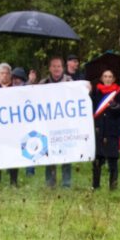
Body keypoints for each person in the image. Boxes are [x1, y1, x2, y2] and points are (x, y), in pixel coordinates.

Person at [40, 56, 74, 187]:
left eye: (59, 66)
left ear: (62, 68)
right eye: (54, 66)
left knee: (66, 153)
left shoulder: (70, 81)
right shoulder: (43, 83)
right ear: (50, 68)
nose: (56, 69)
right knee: (49, 153)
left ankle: (66, 182)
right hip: (49, 124)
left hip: (65, 124)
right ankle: (50, 182)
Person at [90, 70, 120, 190]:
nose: (107, 79)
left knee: (113, 160)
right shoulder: (95, 91)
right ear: (101, 78)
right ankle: (95, 186)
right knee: (97, 160)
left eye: (110, 77)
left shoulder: (119, 93)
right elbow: (91, 109)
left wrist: (116, 107)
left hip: (112, 130)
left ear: (114, 78)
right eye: (105, 76)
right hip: (98, 130)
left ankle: (113, 187)